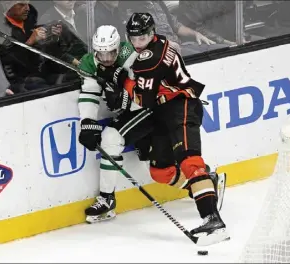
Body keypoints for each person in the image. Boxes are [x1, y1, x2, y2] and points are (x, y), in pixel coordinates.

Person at [94, 13, 229, 245]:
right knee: (161, 172)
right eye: (134, 38)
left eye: (143, 37)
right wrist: (119, 76)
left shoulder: (150, 58)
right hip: (161, 112)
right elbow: (145, 84)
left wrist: (119, 84)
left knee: (190, 161)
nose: (138, 43)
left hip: (181, 107)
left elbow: (142, 98)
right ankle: (208, 183)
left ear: (152, 33)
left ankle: (213, 220)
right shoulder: (160, 43)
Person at [77, 25, 150, 223]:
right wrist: (88, 122)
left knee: (162, 164)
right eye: (102, 54)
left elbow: (146, 87)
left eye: (111, 53)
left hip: (150, 109)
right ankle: (107, 198)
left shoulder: (130, 55)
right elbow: (90, 94)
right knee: (111, 139)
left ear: (118, 48)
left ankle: (202, 182)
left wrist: (124, 95)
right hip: (131, 115)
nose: (107, 58)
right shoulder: (89, 64)